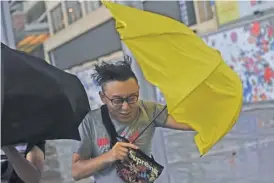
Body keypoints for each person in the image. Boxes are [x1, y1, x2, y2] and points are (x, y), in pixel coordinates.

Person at [71, 61, 193, 183]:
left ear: (138, 91)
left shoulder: (149, 110)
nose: (126, 107)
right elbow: (76, 172)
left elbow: (190, 123)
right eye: (117, 100)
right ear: (103, 97)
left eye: (132, 98)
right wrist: (110, 156)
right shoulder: (90, 122)